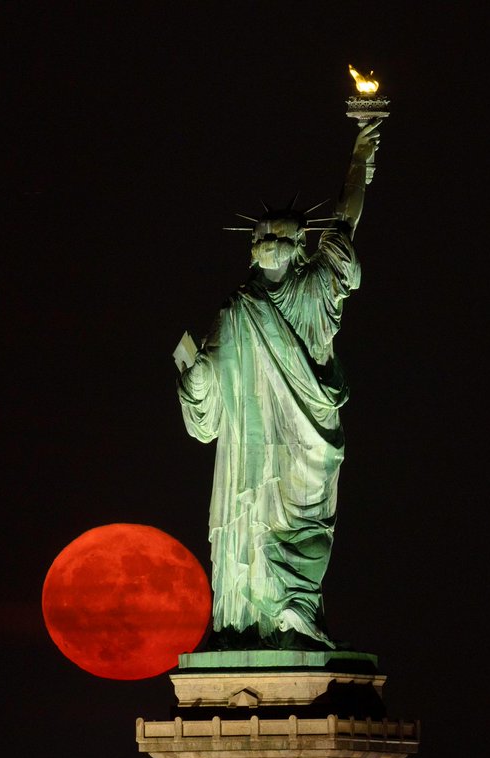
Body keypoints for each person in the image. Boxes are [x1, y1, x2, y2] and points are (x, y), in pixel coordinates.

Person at [176, 120, 382, 649]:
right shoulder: (235, 311)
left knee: (306, 523)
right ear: (251, 248)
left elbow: (345, 221)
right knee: (254, 518)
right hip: (251, 450)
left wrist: (362, 153)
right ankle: (256, 622)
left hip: (308, 435)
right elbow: (208, 404)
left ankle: (297, 608)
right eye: (262, 237)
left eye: (281, 237)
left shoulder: (316, 289)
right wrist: (194, 376)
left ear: (298, 247)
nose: (270, 243)